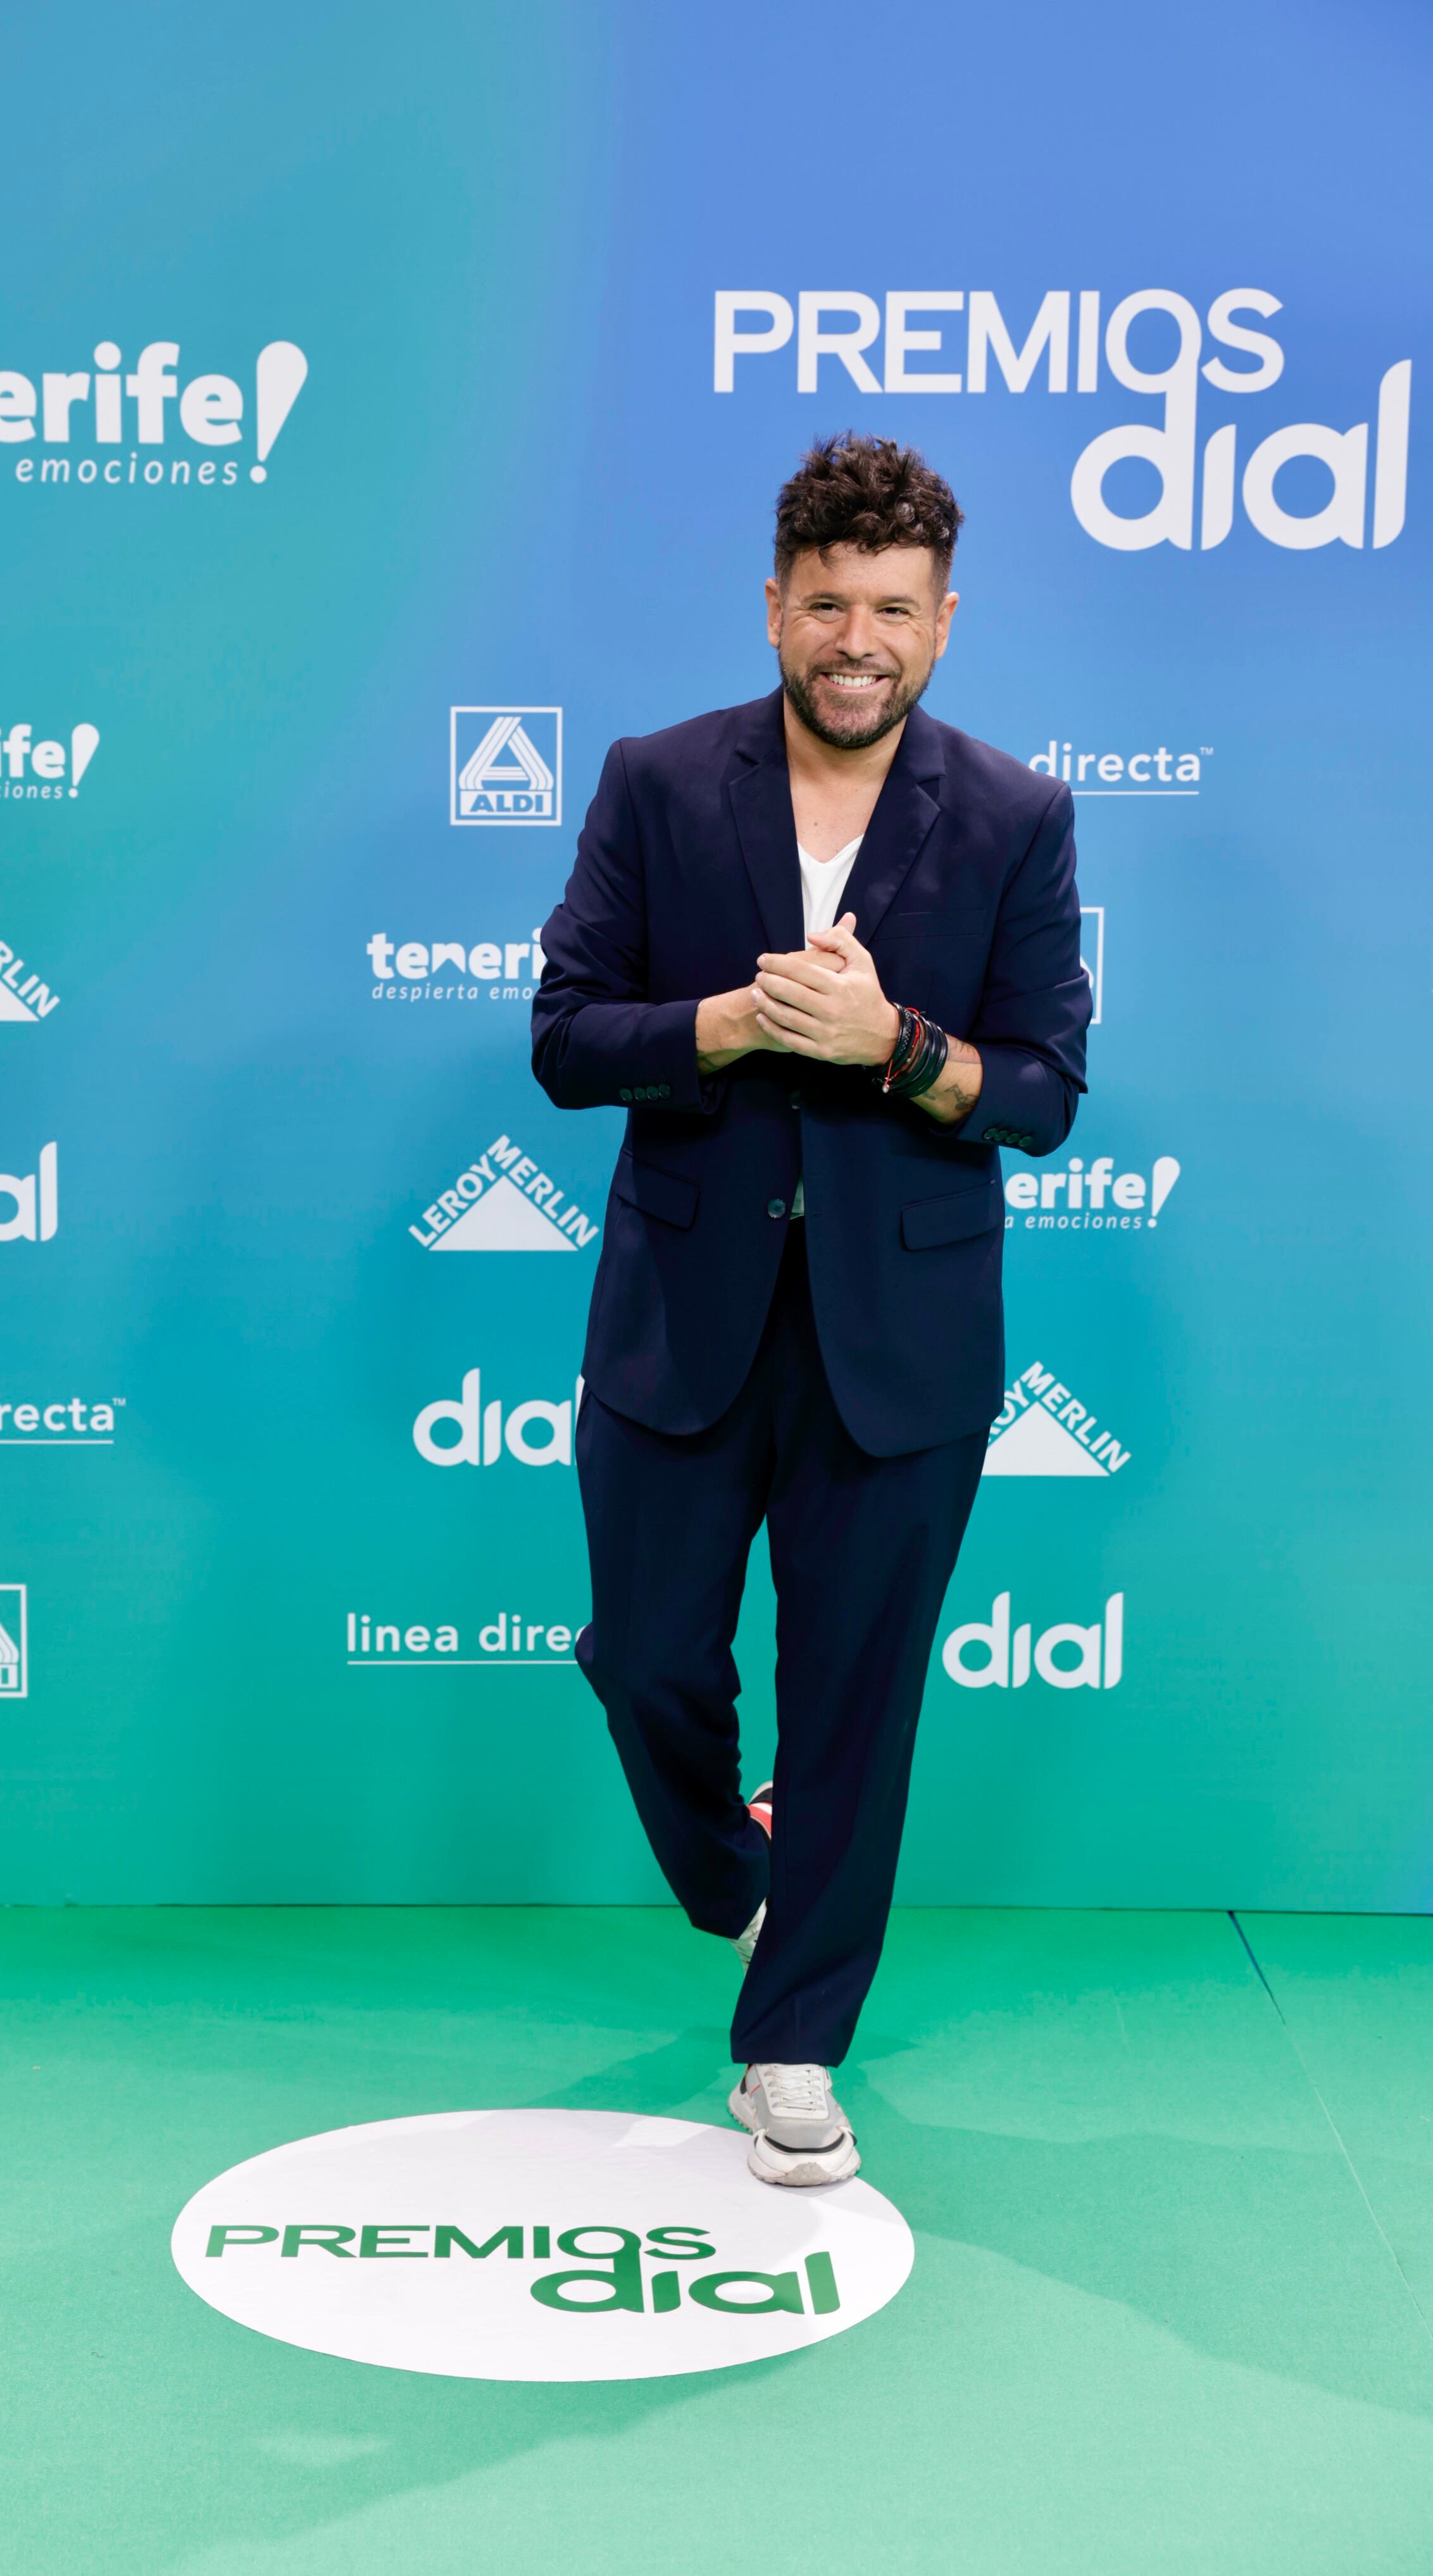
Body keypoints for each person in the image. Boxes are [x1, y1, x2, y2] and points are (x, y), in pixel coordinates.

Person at [531, 434, 1089, 2184]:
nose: (861, 641)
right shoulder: (655, 782)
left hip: (899, 1348)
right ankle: (736, 1882)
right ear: (776, 605)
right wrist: (728, 1025)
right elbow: (566, 1039)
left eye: (896, 611)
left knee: (854, 1702)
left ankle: (792, 2046)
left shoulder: (1014, 815)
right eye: (831, 604)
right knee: (647, 1662)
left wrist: (894, 1046)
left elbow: (1045, 1091)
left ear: (945, 622)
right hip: (680, 1325)